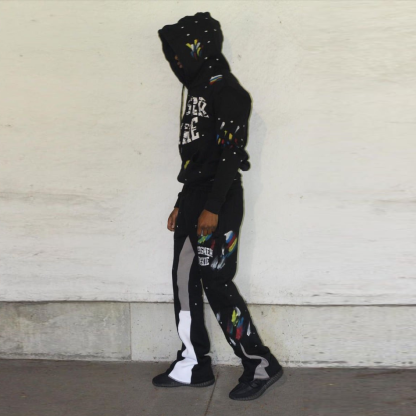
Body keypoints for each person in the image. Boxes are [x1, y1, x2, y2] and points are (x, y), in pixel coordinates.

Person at [153, 11, 284, 401]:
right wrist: (182, 202)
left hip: (219, 199)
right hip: (194, 197)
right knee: (183, 279)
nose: (177, 60)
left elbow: (229, 156)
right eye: (172, 54)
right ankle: (193, 363)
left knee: (217, 284)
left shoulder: (228, 91)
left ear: (199, 48)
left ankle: (260, 364)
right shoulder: (196, 92)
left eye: (180, 52)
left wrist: (212, 206)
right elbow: (198, 158)